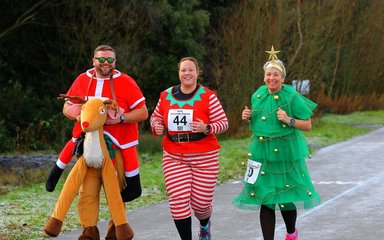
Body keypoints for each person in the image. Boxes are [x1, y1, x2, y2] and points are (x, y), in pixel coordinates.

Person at [232, 46, 321, 240]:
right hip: (261, 153)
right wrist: (246, 117)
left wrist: (289, 120)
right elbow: (259, 123)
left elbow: (307, 125)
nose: (272, 78)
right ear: (264, 76)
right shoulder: (258, 94)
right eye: (268, 74)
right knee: (266, 199)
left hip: (286, 154)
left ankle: (291, 232)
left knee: (285, 197)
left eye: (276, 75)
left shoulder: (292, 97)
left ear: (282, 78)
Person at [60, 44, 148, 238]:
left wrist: (121, 118)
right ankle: (89, 230)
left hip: (116, 147)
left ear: (115, 62)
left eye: (110, 60)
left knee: (115, 191)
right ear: (94, 61)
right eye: (101, 59)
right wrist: (75, 115)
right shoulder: (83, 79)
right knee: (87, 193)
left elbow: (143, 112)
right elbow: (67, 105)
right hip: (88, 148)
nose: (105, 63)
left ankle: (116, 229)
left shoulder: (126, 82)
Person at [150, 57, 229, 240]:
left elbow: (223, 123)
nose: (187, 73)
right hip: (174, 155)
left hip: (204, 156)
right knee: (178, 201)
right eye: (183, 70)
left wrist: (206, 128)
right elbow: (155, 118)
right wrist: (156, 126)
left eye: (190, 70)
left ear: (197, 72)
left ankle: (204, 225)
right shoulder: (166, 95)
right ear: (179, 73)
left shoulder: (208, 96)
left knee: (200, 204)